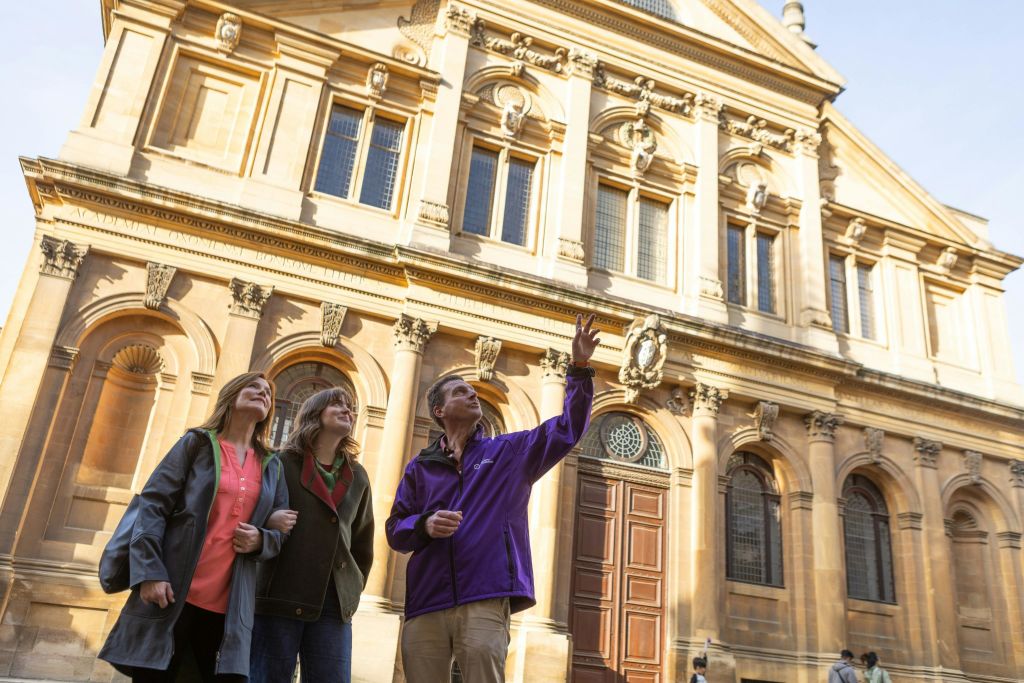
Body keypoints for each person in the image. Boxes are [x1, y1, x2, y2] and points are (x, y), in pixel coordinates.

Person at [386, 313, 599, 683]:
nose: (471, 394)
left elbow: (567, 429)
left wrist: (579, 369)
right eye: (459, 392)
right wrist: (424, 524)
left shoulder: (509, 452)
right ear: (439, 411)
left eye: (472, 391)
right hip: (427, 600)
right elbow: (395, 529)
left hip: (485, 594)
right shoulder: (419, 468)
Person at [99, 372, 290, 682]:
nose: (262, 393)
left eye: (267, 392)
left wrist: (261, 539)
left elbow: (281, 533)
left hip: (228, 607)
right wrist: (149, 572)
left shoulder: (272, 464)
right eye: (252, 387)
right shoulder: (197, 443)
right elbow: (152, 505)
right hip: (172, 591)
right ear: (231, 396)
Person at [251, 386, 374, 683]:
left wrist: (351, 589)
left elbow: (362, 543)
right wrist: (269, 520)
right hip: (279, 593)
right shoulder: (279, 463)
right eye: (337, 404)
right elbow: (251, 514)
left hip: (333, 603)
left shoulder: (357, 476)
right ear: (314, 414)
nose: (348, 410)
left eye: (350, 406)